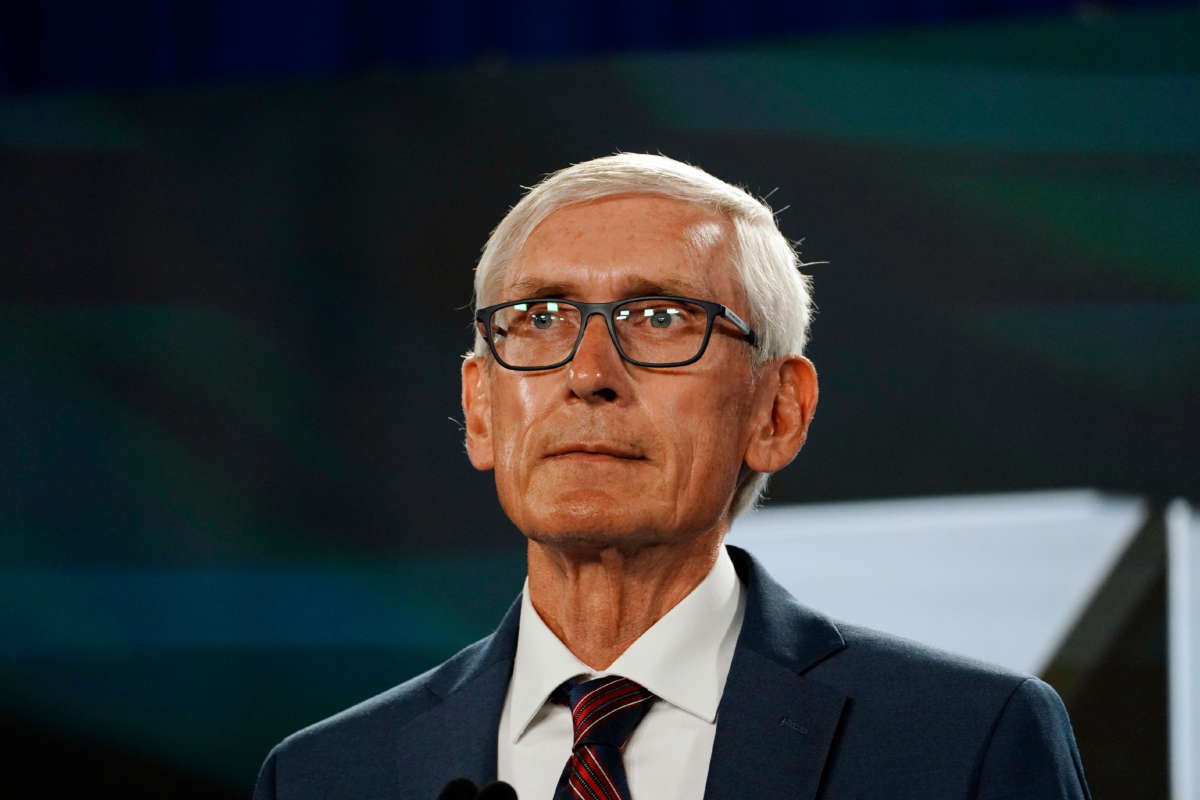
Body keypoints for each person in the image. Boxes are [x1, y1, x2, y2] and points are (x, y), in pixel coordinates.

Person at [253, 154, 1091, 800]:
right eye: (540, 318)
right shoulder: (329, 775)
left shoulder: (960, 745)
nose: (589, 372)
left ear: (777, 412)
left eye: (661, 318)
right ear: (480, 409)